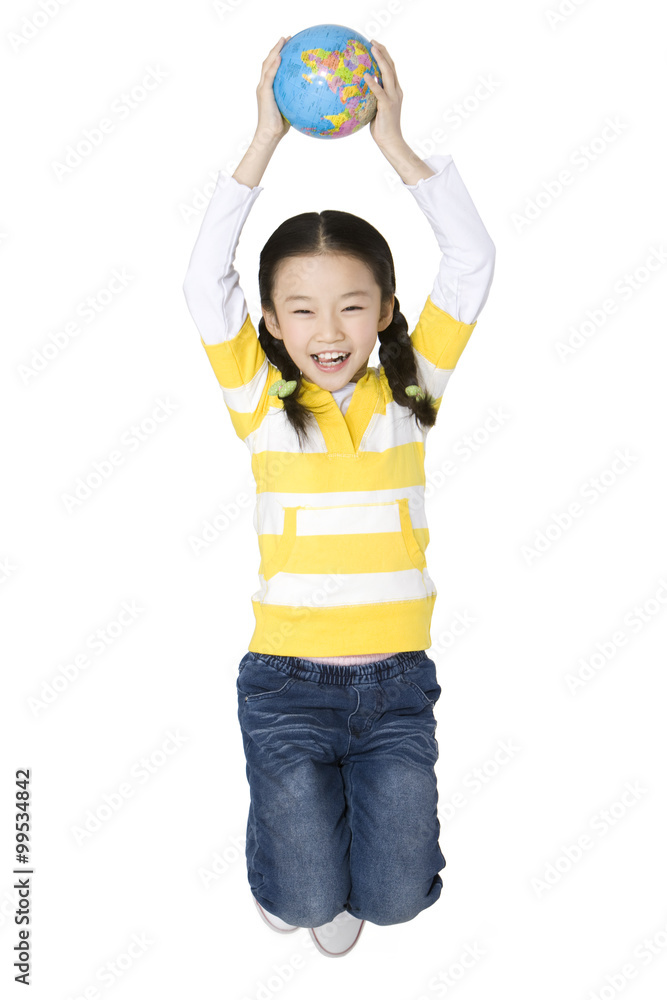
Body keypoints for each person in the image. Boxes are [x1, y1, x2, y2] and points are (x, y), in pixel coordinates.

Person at [183, 35, 495, 958]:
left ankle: (316, 844)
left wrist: (394, 141)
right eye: (304, 312)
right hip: (284, 684)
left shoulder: (413, 393)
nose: (330, 330)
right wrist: (262, 139)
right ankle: (288, 858)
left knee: (397, 902)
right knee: (304, 900)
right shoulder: (262, 401)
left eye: (353, 305)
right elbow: (203, 281)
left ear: (387, 312)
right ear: (271, 323)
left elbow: (471, 259)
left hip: (396, 685)